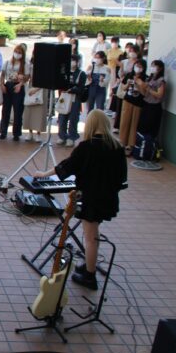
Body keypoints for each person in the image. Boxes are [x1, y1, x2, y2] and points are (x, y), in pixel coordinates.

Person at [34, 109, 127, 290]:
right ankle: (89, 265)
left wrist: (43, 174)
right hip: (108, 198)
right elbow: (121, 178)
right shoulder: (117, 147)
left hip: (91, 199)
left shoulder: (86, 147)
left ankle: (90, 276)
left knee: (90, 237)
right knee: (94, 233)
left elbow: (66, 167)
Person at [0, 44, 30, 141]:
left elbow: (27, 77)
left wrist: (20, 84)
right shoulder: (8, 62)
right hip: (8, 85)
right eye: (16, 51)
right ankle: (3, 131)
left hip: (18, 87)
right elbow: (2, 74)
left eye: (19, 52)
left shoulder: (25, 64)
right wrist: (2, 84)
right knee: (5, 110)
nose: (17, 54)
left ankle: (16, 133)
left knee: (18, 111)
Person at [118, 59, 147, 155]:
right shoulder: (129, 75)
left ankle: (131, 145)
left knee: (134, 124)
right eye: (136, 66)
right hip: (127, 101)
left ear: (143, 68)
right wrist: (128, 84)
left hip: (138, 103)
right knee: (124, 122)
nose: (137, 68)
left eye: (140, 66)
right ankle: (122, 142)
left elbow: (144, 93)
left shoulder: (145, 78)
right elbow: (123, 88)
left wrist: (138, 84)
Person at [57, 54, 87, 147]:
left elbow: (81, 88)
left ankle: (71, 137)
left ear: (77, 62)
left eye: (73, 60)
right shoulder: (64, 72)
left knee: (73, 118)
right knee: (62, 117)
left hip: (75, 98)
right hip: (64, 97)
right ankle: (62, 136)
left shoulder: (81, 74)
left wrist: (71, 89)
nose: (72, 62)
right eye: (70, 60)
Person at [136, 59, 166, 143]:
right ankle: (140, 145)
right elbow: (144, 93)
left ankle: (148, 146)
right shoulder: (149, 78)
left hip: (154, 107)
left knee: (151, 128)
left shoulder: (161, 81)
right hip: (146, 104)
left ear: (160, 68)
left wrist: (148, 89)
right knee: (142, 126)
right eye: (152, 65)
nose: (152, 67)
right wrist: (139, 85)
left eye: (154, 66)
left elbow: (159, 95)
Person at [22, 53, 50, 142]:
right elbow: (27, 77)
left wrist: (36, 89)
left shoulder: (45, 65)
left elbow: (47, 78)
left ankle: (38, 133)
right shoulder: (30, 64)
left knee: (40, 112)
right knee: (29, 110)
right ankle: (30, 132)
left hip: (42, 88)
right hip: (31, 86)